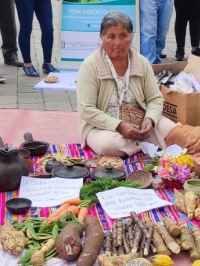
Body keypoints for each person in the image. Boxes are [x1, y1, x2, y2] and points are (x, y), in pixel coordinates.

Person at [76, 12, 177, 157]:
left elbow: (155, 99)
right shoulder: (90, 65)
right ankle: (148, 144)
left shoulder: (142, 62)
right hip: (101, 128)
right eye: (111, 36)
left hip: (140, 122)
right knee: (109, 146)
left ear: (131, 36)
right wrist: (118, 126)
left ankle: (140, 142)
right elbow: (86, 109)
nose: (118, 43)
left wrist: (150, 119)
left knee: (173, 132)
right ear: (101, 37)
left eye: (123, 36)